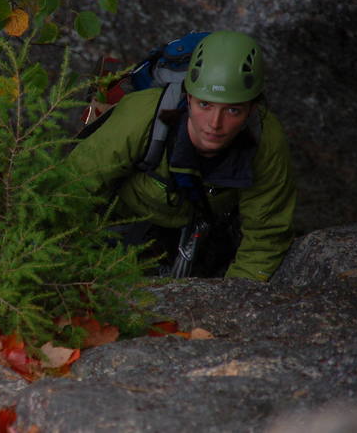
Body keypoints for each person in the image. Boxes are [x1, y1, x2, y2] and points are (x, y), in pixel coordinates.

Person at [68, 30, 296, 281]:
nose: (214, 124)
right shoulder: (142, 117)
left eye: (232, 110)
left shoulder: (265, 141)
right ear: (188, 98)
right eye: (205, 105)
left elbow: (266, 235)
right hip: (121, 221)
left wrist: (232, 304)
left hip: (203, 232)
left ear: (253, 109)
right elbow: (71, 188)